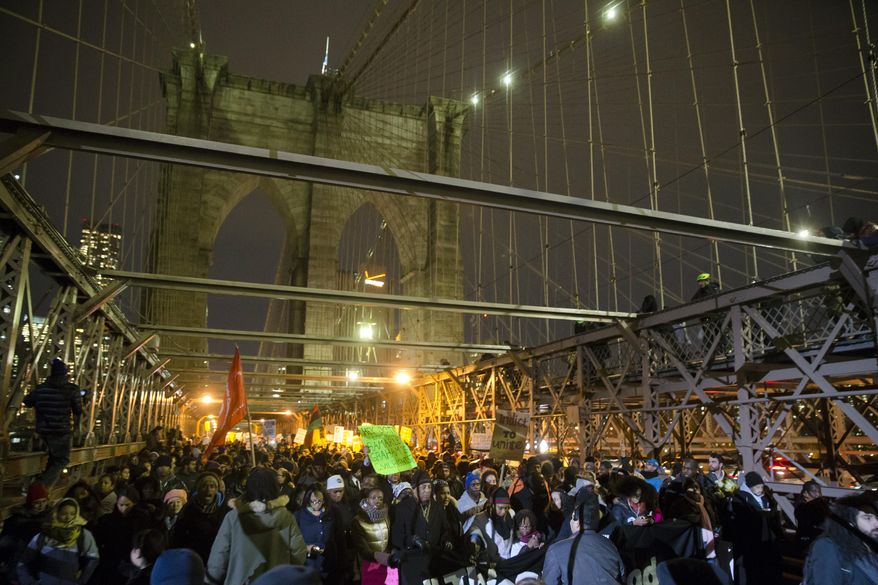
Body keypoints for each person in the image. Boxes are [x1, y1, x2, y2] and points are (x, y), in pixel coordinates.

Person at [205, 467, 307, 585]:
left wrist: (211, 579)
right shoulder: (285, 517)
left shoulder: (234, 517)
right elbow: (299, 553)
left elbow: (220, 554)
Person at [23, 358, 83, 487]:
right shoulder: (72, 389)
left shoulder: (41, 388)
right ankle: (41, 486)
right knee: (62, 459)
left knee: (53, 459)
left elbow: (27, 402)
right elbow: (78, 410)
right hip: (61, 432)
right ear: (65, 374)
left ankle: (42, 488)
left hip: (42, 432)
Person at [542, 492, 625, 585]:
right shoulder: (609, 544)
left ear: (577, 523)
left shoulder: (555, 550)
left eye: (572, 519)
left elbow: (549, 582)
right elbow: (622, 574)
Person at [17, 498, 100, 585]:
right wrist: (29, 582)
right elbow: (23, 562)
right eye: (64, 514)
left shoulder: (83, 535)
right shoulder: (44, 535)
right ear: (56, 513)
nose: (68, 517)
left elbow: (93, 558)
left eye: (72, 514)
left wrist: (82, 580)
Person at [391, 469, 452, 585]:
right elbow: (396, 537)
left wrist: (447, 540)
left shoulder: (438, 508)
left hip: (434, 561)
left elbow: (446, 529)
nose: (427, 490)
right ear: (414, 489)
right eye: (423, 487)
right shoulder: (402, 508)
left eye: (429, 487)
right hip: (412, 562)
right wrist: (411, 540)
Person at [803, 492, 878, 584]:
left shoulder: (869, 545)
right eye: (867, 518)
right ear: (849, 522)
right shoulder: (828, 547)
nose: (876, 524)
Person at [724, 472, 783, 585]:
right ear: (749, 487)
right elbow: (740, 521)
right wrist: (761, 514)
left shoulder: (765, 498)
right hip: (749, 544)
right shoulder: (739, 499)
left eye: (761, 486)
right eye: (757, 487)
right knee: (750, 573)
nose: (760, 490)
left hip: (764, 542)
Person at [169, 472, 228, 563]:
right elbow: (178, 537)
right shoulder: (188, 510)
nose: (208, 490)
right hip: (195, 559)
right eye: (204, 486)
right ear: (198, 489)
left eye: (212, 486)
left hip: (219, 560)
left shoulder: (225, 509)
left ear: (216, 489)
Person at [0, 482, 52, 582]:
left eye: (44, 501)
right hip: (19, 558)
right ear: (30, 503)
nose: (41, 505)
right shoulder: (18, 517)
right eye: (37, 502)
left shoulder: (50, 515)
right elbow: (6, 539)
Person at [294, 484, 344, 583]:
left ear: (324, 499)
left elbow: (340, 539)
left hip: (330, 565)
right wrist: (307, 548)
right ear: (307, 500)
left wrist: (343, 564)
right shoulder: (298, 516)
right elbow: (293, 542)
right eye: (313, 501)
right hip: (308, 566)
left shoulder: (333, 512)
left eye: (319, 501)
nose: (316, 504)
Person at [352, 487, 393, 585]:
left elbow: (389, 539)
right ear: (367, 499)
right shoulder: (358, 521)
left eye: (380, 498)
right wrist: (380, 557)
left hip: (386, 561)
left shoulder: (386, 517)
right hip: (369, 563)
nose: (377, 500)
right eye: (373, 497)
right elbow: (362, 548)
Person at [469, 487, 517, 562]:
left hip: (511, 559)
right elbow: (474, 532)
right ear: (493, 505)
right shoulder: (483, 520)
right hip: (495, 563)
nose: (504, 511)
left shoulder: (511, 514)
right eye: (500, 508)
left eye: (506, 508)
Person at [795, 480, 830, 545]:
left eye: (819, 492)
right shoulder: (802, 508)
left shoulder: (820, 505)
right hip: (809, 542)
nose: (818, 494)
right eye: (814, 491)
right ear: (805, 493)